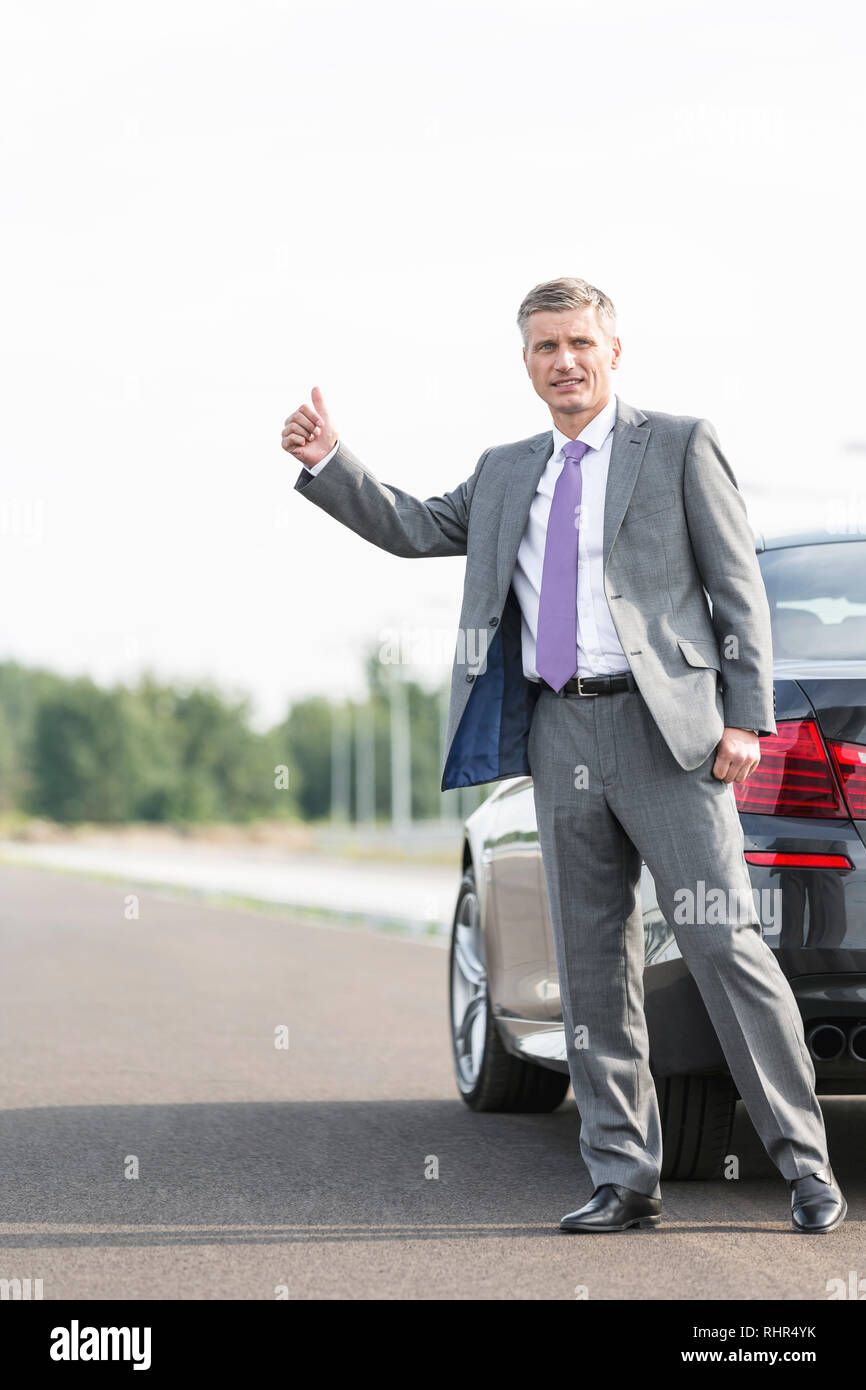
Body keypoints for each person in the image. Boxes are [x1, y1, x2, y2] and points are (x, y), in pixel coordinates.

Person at [282, 276, 845, 1234]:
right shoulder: (507, 471)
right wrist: (333, 460)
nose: (565, 361)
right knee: (591, 967)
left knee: (724, 946)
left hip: (670, 740)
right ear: (528, 362)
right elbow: (417, 525)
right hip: (560, 730)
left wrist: (745, 718)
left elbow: (738, 588)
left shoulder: (678, 445)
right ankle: (625, 1176)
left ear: (614, 351)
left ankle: (805, 1166)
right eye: (546, 347)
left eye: (580, 342)